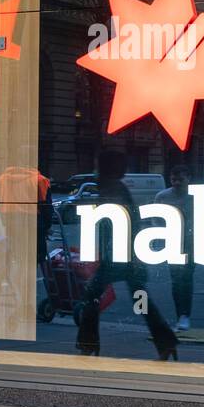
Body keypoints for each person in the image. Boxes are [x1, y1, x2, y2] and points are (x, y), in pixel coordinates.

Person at [75, 149, 179, 361]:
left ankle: (88, 344)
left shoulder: (111, 188)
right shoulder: (117, 187)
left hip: (119, 254)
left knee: (92, 296)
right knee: (141, 301)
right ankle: (166, 342)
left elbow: (113, 224)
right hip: (126, 254)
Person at [156, 164, 196, 331]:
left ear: (189, 179)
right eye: (174, 179)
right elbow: (156, 219)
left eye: (180, 179)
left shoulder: (196, 197)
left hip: (191, 244)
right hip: (173, 243)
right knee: (177, 281)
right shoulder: (162, 196)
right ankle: (182, 315)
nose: (177, 182)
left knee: (184, 280)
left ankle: (184, 315)